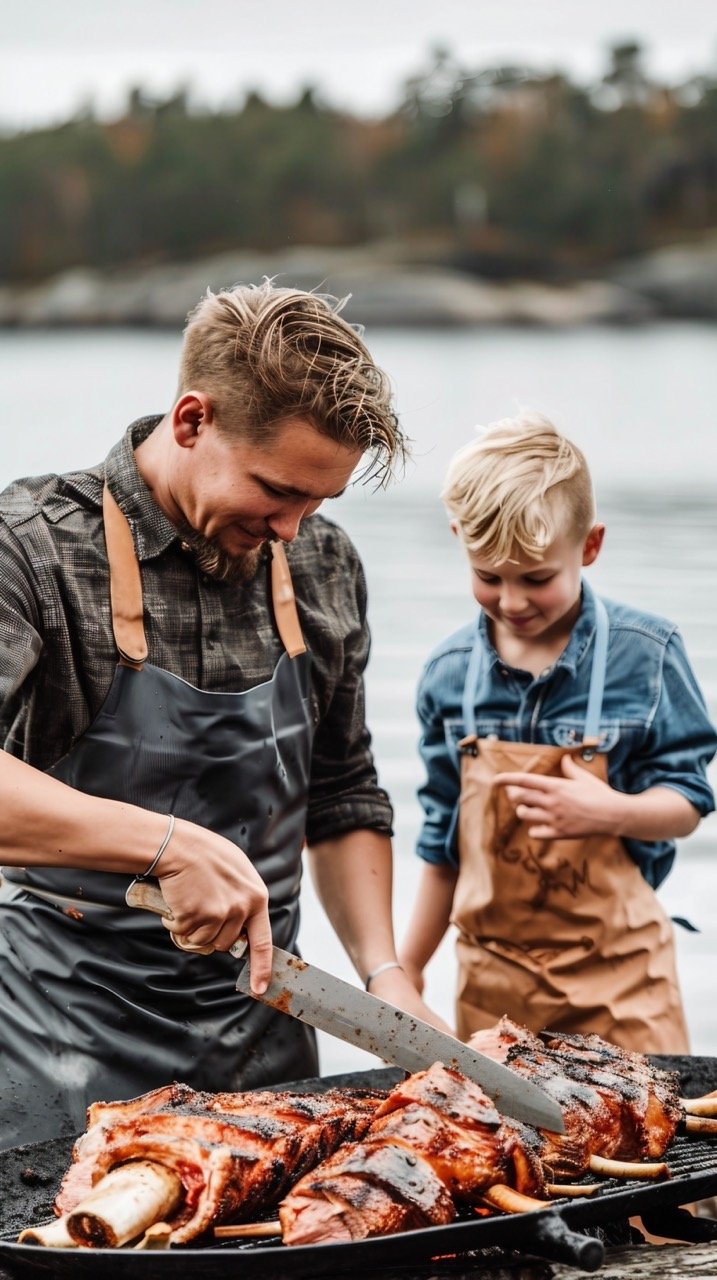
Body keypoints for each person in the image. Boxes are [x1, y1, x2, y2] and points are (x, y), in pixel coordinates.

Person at [0, 281, 447, 1150]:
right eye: (276, 491)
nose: (293, 528)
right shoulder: (31, 548)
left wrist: (385, 974)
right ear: (193, 419)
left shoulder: (318, 561)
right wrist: (168, 845)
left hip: (269, 1062)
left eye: (318, 503)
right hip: (58, 1060)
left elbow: (344, 788)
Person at [399, 412, 716, 1054]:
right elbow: (443, 846)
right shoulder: (447, 676)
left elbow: (686, 804)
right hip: (494, 986)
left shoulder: (647, 654)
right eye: (489, 576)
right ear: (460, 538)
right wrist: (406, 969)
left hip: (622, 985)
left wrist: (612, 812)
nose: (512, 601)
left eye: (536, 578)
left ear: (589, 546)